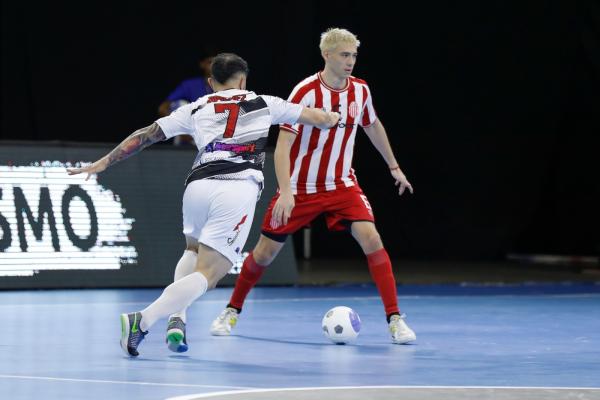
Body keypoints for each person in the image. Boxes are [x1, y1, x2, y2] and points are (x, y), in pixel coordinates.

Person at [67, 53, 340, 357]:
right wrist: (333, 117)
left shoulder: (197, 106)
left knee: (192, 250)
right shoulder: (266, 103)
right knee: (210, 274)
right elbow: (317, 118)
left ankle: (177, 319)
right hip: (235, 189)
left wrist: (104, 162)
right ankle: (141, 321)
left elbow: (145, 135)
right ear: (244, 79)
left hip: (197, 185)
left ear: (211, 83)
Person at [209, 28, 417, 344]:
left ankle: (395, 319)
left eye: (354, 55)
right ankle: (231, 310)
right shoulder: (305, 91)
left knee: (372, 238)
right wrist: (287, 192)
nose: (351, 61)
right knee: (264, 254)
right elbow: (281, 147)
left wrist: (394, 166)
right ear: (327, 55)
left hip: (342, 184)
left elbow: (372, 125)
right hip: (300, 187)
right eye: (345, 55)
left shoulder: (360, 91)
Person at [158, 50, 215, 145]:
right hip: (190, 137)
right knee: (180, 104)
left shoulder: (228, 87)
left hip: (215, 137)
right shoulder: (190, 85)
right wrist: (180, 130)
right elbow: (163, 108)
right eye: (210, 62)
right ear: (202, 64)